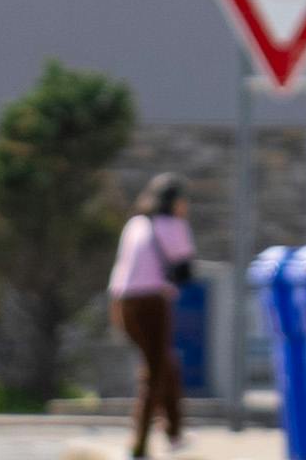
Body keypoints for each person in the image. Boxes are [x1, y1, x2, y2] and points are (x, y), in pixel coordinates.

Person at [108, 179, 198, 455]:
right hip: (150, 302)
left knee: (165, 365)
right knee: (155, 370)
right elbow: (186, 269)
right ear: (174, 201)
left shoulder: (135, 224)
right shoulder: (173, 225)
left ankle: (174, 432)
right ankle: (140, 441)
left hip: (121, 302)